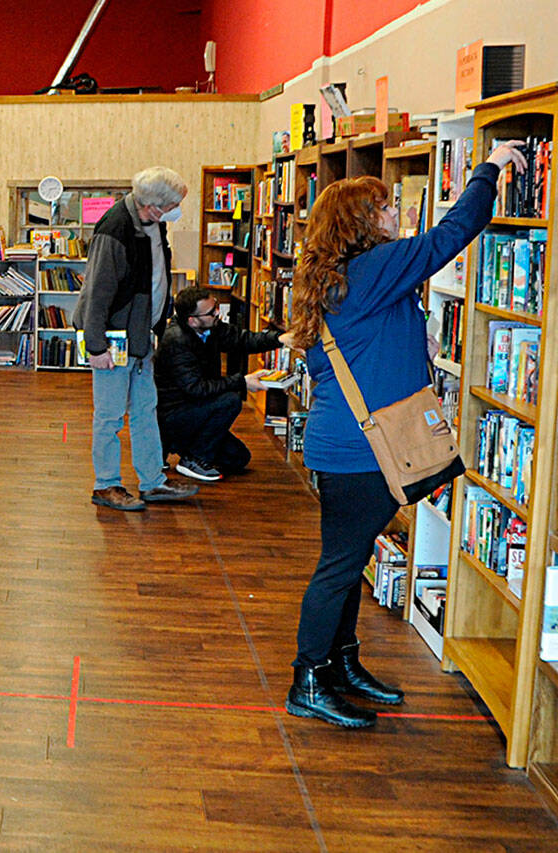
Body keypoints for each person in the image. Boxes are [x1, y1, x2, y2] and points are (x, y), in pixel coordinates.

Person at [284, 139, 529, 728]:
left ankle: (341, 663)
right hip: (362, 451)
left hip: (343, 446)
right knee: (339, 566)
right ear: (363, 223)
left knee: (348, 558)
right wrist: (489, 169)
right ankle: (308, 678)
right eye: (387, 207)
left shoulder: (340, 278)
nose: (398, 214)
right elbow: (451, 235)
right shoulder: (375, 268)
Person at [74, 166, 198, 512]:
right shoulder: (115, 228)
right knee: (110, 416)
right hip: (113, 338)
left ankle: (152, 482)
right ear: (153, 205)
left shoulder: (155, 224)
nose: (178, 209)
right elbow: (96, 292)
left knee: (145, 410)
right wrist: (95, 346)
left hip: (142, 334)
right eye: (174, 203)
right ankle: (106, 485)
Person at [155, 286, 285, 481]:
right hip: (175, 414)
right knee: (231, 400)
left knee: (238, 458)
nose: (218, 313)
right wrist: (242, 382)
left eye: (216, 306)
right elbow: (196, 388)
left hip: (196, 409)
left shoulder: (210, 327)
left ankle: (183, 446)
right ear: (192, 320)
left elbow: (242, 340)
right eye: (211, 312)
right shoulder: (176, 341)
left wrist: (280, 339)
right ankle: (193, 458)